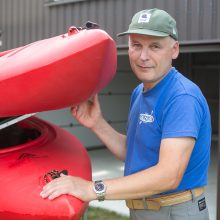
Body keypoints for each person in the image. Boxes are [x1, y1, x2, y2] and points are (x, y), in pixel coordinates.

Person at [40, 8, 211, 220]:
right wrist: (97, 123)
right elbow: (134, 152)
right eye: (136, 45)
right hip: (142, 208)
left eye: (155, 46)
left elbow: (168, 175)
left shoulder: (182, 97)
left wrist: (92, 189)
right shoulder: (139, 92)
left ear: (174, 49)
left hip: (174, 211)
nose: (143, 56)